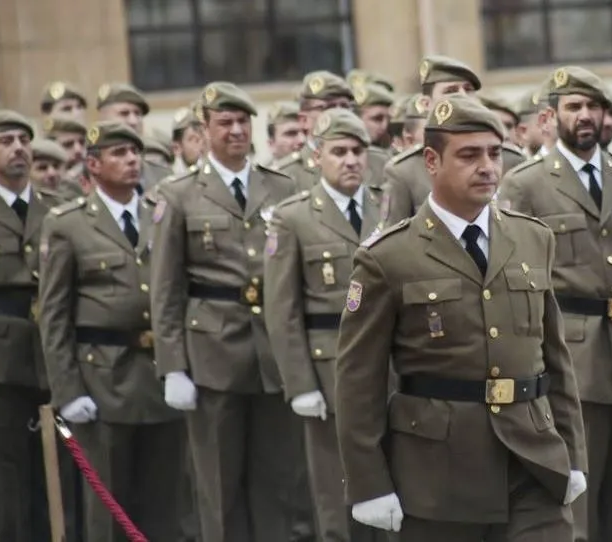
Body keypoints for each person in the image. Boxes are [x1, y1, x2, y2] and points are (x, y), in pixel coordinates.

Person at [335, 94, 586, 541]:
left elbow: (555, 361)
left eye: (495, 153)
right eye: (469, 155)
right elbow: (359, 381)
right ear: (431, 161)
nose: (488, 166)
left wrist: (574, 454)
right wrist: (369, 484)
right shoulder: (388, 257)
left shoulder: (532, 239)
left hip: (533, 462)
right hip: (438, 475)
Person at [498, 66, 612, 542]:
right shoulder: (525, 184)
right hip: (573, 356)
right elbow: (517, 286)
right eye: (574, 107)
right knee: (580, 499)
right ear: (549, 118)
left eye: (593, 106)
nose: (585, 116)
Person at [150, 81, 301, 542]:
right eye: (225, 123)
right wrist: (172, 365)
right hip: (213, 351)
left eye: (243, 122)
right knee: (219, 483)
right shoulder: (179, 195)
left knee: (277, 482)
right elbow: (165, 287)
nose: (236, 131)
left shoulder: (282, 186)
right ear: (205, 129)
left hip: (272, 354)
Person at [39, 120, 186, 542]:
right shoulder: (68, 224)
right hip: (102, 379)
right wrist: (68, 390)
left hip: (157, 377)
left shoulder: (158, 215)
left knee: (163, 503)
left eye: (135, 152)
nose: (131, 160)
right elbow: (54, 315)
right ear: (93, 164)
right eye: (119, 153)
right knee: (108, 508)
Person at [265, 109, 387, 542]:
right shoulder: (293, 217)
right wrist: (299, 383)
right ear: (316, 157)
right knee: (336, 501)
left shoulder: (387, 208)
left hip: (386, 371)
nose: (351, 160)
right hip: (327, 370)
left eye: (358, 151)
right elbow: (282, 309)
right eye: (339, 152)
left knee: (389, 495)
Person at [0, 110, 67, 541]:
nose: (19, 147)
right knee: (4, 472)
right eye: (6, 140)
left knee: (55, 470)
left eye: (24, 139)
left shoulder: (55, 209)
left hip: (50, 352)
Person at [382, 55, 525, 226]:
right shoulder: (405, 171)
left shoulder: (511, 159)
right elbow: (394, 242)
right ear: (426, 104)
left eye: (468, 89)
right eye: (451, 91)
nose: (462, 96)